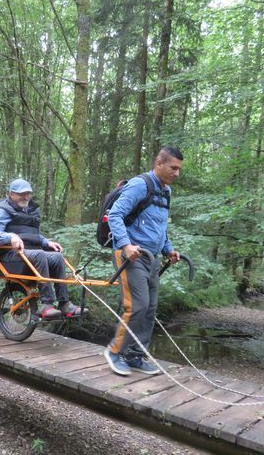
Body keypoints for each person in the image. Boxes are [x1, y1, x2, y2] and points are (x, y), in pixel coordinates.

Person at [103, 146, 183, 376]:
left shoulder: (166, 191)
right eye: (173, 168)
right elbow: (115, 215)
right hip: (131, 256)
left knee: (150, 309)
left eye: (179, 169)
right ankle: (114, 352)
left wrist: (168, 249)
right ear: (159, 163)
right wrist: (126, 245)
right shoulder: (140, 184)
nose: (176, 173)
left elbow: (160, 225)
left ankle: (136, 356)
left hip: (152, 258)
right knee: (137, 305)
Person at [0, 179, 86, 320]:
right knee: (39, 255)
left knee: (57, 256)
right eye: (21, 194)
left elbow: (33, 234)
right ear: (11, 194)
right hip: (7, 256)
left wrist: (47, 242)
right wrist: (10, 237)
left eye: (28, 193)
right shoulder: (2, 210)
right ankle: (47, 304)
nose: (25, 197)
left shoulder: (30, 211)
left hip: (27, 254)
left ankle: (64, 303)